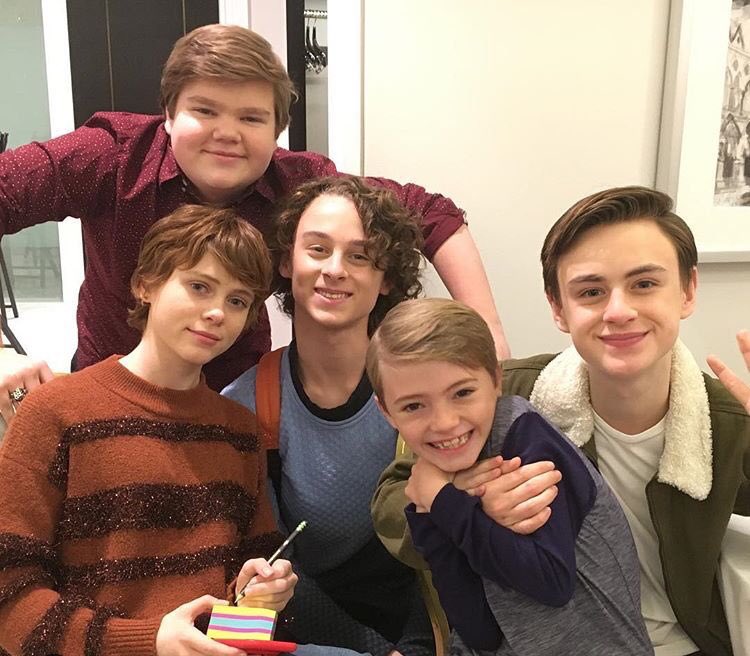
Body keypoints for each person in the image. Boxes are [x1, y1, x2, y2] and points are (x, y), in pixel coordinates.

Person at [0, 22, 509, 426]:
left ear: (277, 129)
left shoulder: (300, 184)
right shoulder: (110, 157)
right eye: (205, 110)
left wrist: (488, 334)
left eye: (251, 118)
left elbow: (433, 213)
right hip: (109, 394)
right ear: (169, 114)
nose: (227, 133)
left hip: (234, 403)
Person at [371, 186, 750, 656]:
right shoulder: (504, 393)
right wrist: (465, 495)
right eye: (591, 292)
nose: (619, 311)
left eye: (644, 284)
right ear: (557, 307)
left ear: (687, 290)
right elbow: (395, 500)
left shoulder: (731, 422)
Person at [0, 204, 307, 656]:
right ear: (145, 285)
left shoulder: (240, 431)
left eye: (238, 301)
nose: (217, 312)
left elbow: (242, 595)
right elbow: (9, 593)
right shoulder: (55, 413)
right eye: (199, 286)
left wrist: (258, 595)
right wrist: (148, 642)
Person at [225, 177, 443, 656]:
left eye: (360, 256)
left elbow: (446, 550)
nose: (335, 270)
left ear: (387, 278)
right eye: (318, 249)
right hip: (308, 639)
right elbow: (267, 572)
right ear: (287, 262)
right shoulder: (245, 405)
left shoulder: (429, 390)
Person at [366, 297, 652, 655]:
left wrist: (444, 502)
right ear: (386, 411)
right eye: (413, 406)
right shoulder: (433, 483)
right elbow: (479, 632)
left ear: (496, 379)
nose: (445, 422)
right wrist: (434, 512)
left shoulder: (525, 437)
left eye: (462, 393)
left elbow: (551, 582)